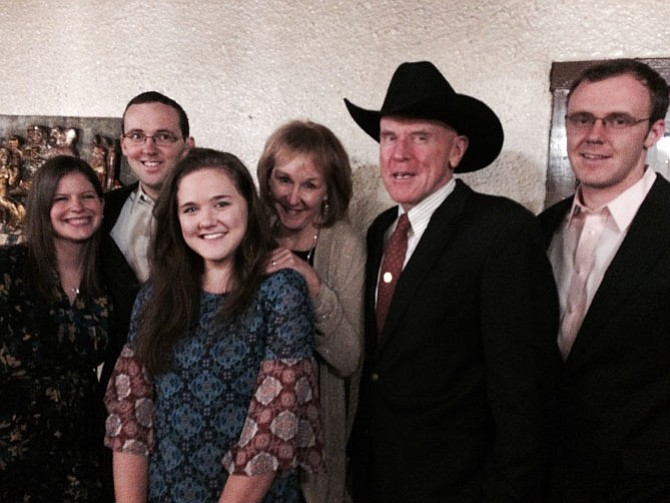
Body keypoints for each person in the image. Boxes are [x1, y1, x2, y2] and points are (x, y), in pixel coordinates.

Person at [344, 61, 561, 502]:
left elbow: (523, 388)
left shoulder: (502, 231)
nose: (399, 153)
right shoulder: (380, 229)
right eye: (389, 137)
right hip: (378, 480)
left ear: (456, 150)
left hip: (461, 488)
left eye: (420, 137)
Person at [104, 148, 324, 503]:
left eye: (221, 203)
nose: (206, 220)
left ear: (248, 208)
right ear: (176, 220)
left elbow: (269, 431)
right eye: (190, 209)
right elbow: (130, 421)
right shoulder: (155, 297)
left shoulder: (281, 293)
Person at [539, 59, 670, 502]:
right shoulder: (537, 231)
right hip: (542, 479)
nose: (594, 135)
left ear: (654, 132)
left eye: (617, 120)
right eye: (581, 118)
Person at [257, 120, 365, 503]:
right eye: (283, 180)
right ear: (266, 179)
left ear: (328, 192)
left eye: (310, 185)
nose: (293, 197)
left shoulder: (345, 245)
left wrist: (312, 283)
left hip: (313, 429)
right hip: (250, 427)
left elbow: (349, 358)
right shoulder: (250, 234)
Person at [0, 156, 111, 501]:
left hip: (80, 460)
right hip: (10, 460)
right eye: (60, 199)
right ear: (41, 207)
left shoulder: (110, 278)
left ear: (102, 205)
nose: (76, 207)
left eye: (87, 196)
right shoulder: (8, 269)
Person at [98, 90, 195, 401]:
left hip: (195, 385)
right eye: (137, 136)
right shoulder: (101, 211)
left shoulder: (217, 217)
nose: (149, 148)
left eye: (163, 136)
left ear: (187, 146)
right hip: (119, 389)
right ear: (124, 144)